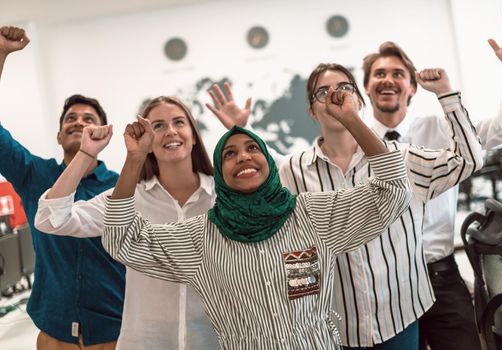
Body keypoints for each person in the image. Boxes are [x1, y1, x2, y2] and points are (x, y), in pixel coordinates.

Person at [101, 86, 412, 349]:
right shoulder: (201, 238)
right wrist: (136, 159)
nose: (244, 157)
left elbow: (393, 190)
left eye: (252, 148)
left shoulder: (311, 215)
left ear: (268, 160)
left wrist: (351, 120)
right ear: (219, 175)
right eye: (230, 154)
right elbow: (122, 239)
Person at [207, 61, 483, 350]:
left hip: (399, 318)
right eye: (322, 92)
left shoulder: (400, 159)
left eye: (344, 88)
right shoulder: (292, 171)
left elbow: (468, 161)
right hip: (334, 330)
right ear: (312, 111)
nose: (335, 95)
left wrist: (446, 94)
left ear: (359, 101)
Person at [361, 9, 502, 350]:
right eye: (379, 73)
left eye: (397, 73)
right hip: (385, 284)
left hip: (440, 276)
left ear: (412, 86)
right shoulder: (352, 143)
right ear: (366, 86)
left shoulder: (444, 129)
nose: (387, 79)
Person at [35, 96, 219, 349]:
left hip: (212, 340)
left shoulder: (224, 197)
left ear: (194, 135)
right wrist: (86, 152)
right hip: (144, 342)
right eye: (158, 126)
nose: (171, 131)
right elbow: (50, 219)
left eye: (179, 122)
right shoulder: (127, 198)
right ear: (148, 141)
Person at [0, 27, 125, 349]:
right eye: (70, 118)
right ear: (58, 135)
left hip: (114, 326)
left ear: (103, 131)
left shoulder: (122, 185)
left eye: (88, 117)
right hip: (53, 327)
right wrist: (1, 54)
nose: (78, 122)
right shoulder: (34, 174)